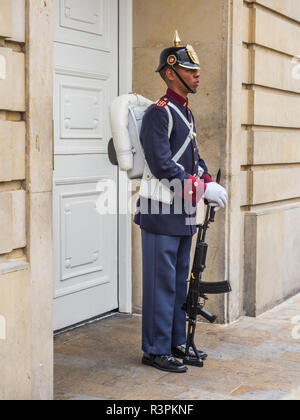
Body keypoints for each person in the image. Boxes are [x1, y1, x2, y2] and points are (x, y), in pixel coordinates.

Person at [134, 32, 228, 373]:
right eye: (190, 69)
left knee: (177, 284)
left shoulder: (185, 114)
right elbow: (161, 165)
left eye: (196, 69)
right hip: (160, 210)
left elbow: (194, 160)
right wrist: (201, 190)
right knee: (160, 285)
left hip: (183, 211)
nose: (197, 74)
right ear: (170, 72)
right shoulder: (159, 113)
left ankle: (175, 342)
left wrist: (207, 182)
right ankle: (155, 349)